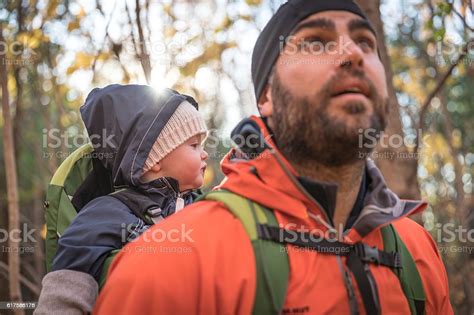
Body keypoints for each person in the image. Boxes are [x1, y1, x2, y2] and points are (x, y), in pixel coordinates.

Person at [94, 1, 453, 314]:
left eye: (365, 42)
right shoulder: (171, 264)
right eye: (316, 43)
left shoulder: (416, 248)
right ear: (266, 96)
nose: (352, 54)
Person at [34, 84, 208, 314]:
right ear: (155, 159)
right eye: (194, 145)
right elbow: (68, 279)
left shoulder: (203, 206)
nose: (205, 153)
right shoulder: (107, 213)